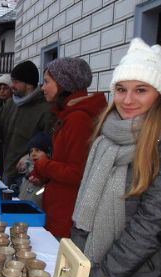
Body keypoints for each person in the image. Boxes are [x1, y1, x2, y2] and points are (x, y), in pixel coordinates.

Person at [71, 38, 161, 277]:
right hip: (102, 271)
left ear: (159, 94)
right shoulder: (109, 133)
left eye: (141, 90)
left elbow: (153, 224)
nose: (128, 100)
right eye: (121, 89)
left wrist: (101, 275)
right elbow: (88, 206)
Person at [28, 57, 107, 239]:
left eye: (47, 82)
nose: (42, 87)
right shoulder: (68, 114)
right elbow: (64, 160)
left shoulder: (78, 119)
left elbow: (77, 173)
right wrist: (43, 176)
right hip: (59, 210)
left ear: (64, 84)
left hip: (66, 216)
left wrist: (43, 165)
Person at [15, 132, 52, 208]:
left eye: (37, 150)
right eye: (31, 151)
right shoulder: (27, 174)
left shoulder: (49, 178)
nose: (33, 154)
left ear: (48, 153)